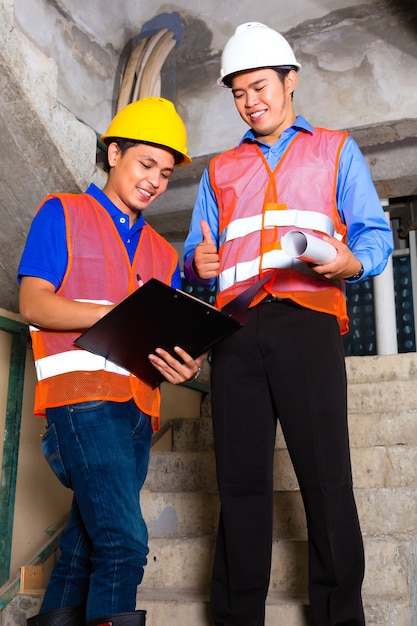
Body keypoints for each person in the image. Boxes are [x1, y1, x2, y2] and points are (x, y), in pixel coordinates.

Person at [183, 22, 393, 626]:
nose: (251, 102)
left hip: (309, 321)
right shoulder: (220, 169)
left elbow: (373, 235)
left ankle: (337, 616)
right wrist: (195, 263)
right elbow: (195, 259)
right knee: (241, 484)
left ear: (290, 81)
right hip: (237, 332)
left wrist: (350, 261)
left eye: (260, 88)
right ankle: (237, 617)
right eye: (239, 93)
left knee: (327, 481)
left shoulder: (335, 148)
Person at [18, 96, 204, 626]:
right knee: (123, 542)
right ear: (114, 152)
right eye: (146, 165)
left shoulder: (163, 254)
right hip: (81, 402)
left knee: (82, 544)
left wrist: (182, 363)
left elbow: (159, 336)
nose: (154, 181)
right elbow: (34, 303)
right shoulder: (63, 212)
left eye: (166, 174)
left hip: (139, 409)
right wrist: (111, 309)